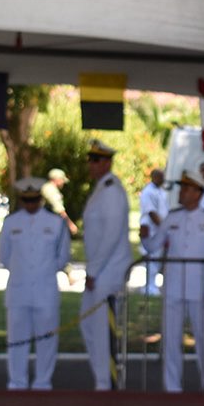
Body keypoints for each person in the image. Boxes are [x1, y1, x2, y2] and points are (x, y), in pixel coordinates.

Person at [140, 170, 204, 392]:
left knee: (203, 339)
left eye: (186, 188)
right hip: (173, 286)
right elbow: (153, 245)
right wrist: (144, 237)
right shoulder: (172, 217)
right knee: (171, 339)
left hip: (199, 288)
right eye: (182, 188)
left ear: (198, 193)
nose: (181, 192)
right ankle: (172, 387)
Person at [0, 177, 71, 390]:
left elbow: (62, 257)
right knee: (16, 339)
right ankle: (17, 382)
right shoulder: (10, 223)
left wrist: (43, 272)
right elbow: (4, 256)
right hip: (18, 290)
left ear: (40, 199)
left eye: (34, 200)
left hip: (45, 290)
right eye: (26, 200)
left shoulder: (55, 223)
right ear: (21, 200)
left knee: (46, 340)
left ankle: (43, 382)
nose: (30, 204)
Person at [80, 139, 132, 390]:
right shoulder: (101, 189)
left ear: (107, 163)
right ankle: (101, 377)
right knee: (88, 324)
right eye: (90, 160)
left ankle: (106, 382)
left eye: (96, 160)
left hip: (108, 271)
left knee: (101, 329)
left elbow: (111, 236)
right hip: (101, 270)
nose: (91, 165)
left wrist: (93, 271)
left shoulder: (111, 191)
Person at [139, 168, 169, 296]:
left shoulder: (161, 191)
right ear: (155, 177)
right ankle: (149, 287)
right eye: (161, 177)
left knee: (157, 259)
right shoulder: (148, 192)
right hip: (151, 230)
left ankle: (153, 285)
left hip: (159, 229)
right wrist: (163, 227)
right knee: (151, 258)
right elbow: (151, 212)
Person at [41, 168, 78, 235]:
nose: (63, 182)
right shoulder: (50, 190)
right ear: (56, 179)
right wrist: (70, 224)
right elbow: (59, 209)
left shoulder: (47, 187)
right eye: (62, 179)